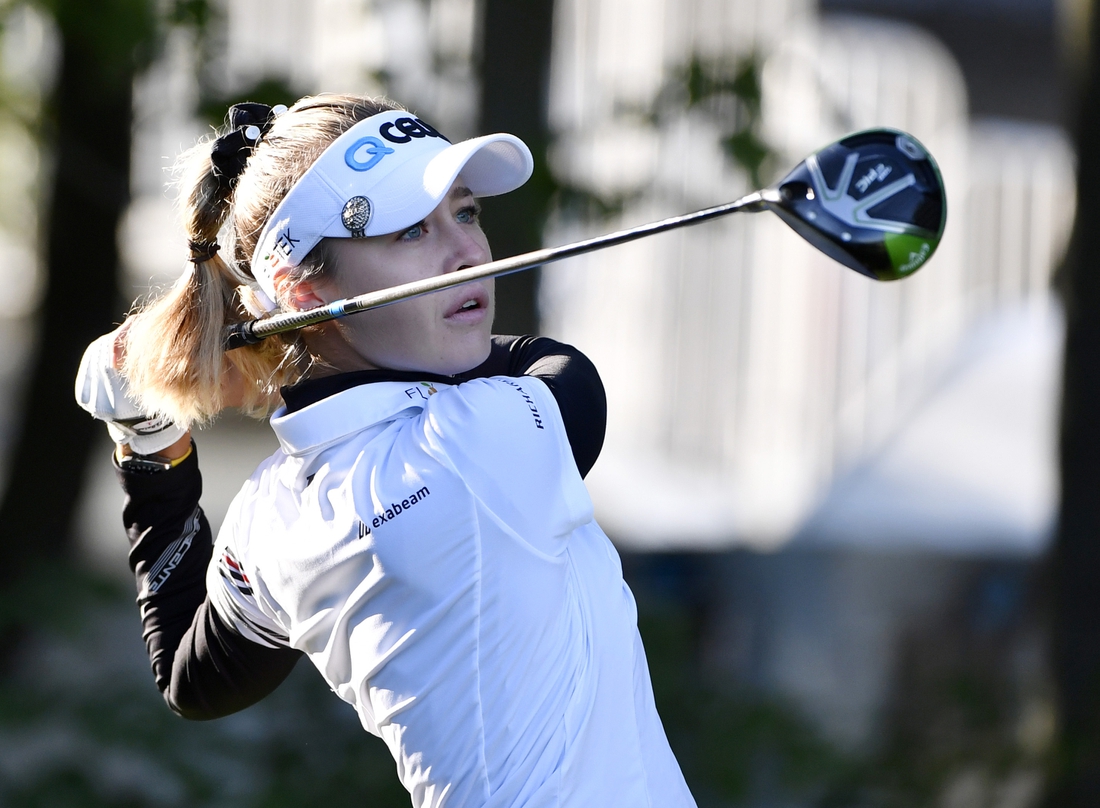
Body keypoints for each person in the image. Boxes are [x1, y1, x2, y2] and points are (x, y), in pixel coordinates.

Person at [75, 94, 697, 807]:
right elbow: (566, 372)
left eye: (466, 213)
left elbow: (194, 679)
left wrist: (149, 442)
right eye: (410, 231)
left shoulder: (272, 513)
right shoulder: (476, 443)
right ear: (301, 290)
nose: (468, 254)